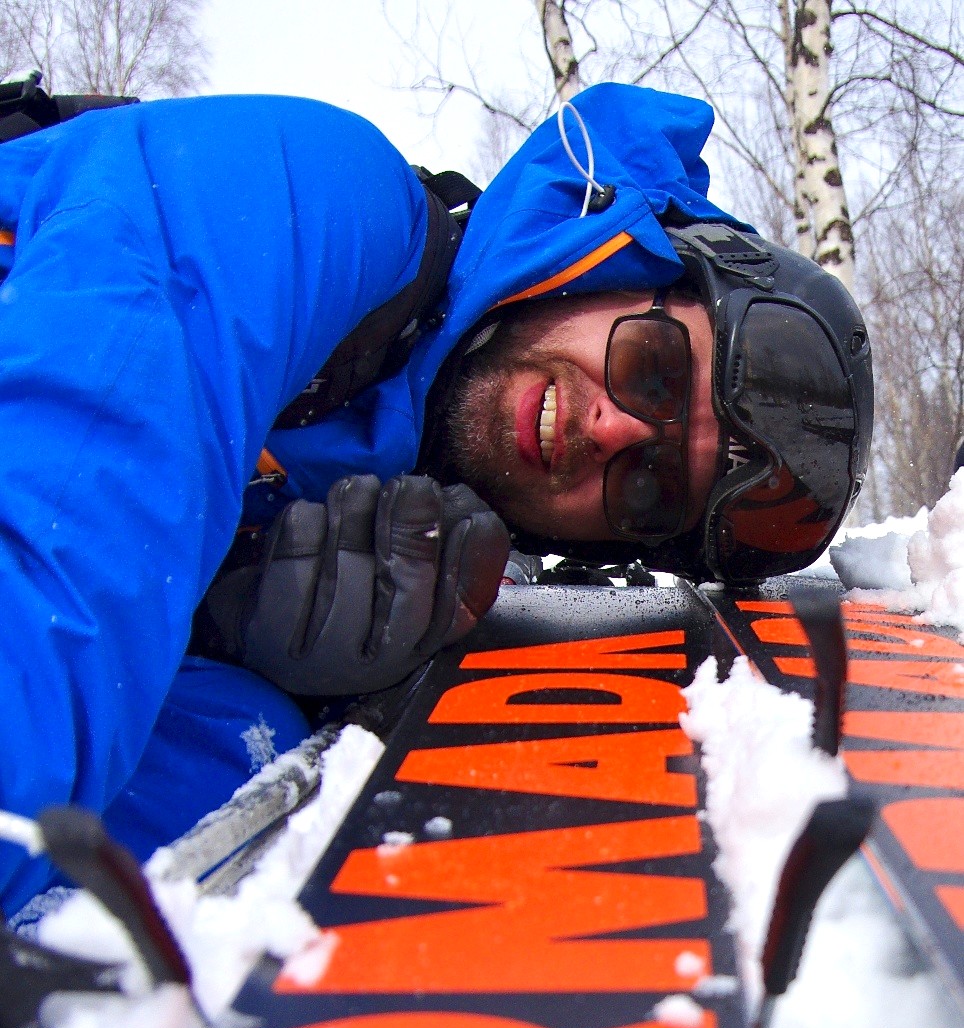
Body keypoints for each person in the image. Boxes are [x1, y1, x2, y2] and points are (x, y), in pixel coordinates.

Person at [0, 81, 872, 917]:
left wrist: (237, 644)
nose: (611, 430)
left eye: (649, 487)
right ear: (624, 258)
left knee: (250, 744)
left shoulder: (421, 559)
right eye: (655, 368)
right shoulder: (327, 196)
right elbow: (71, 530)